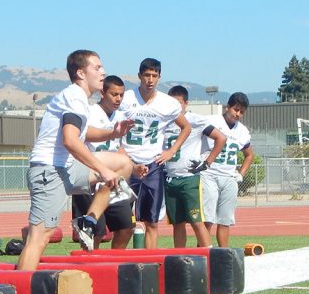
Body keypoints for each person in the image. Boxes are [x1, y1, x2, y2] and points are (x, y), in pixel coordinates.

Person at [17, 50, 134, 270]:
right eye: (97, 68)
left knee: (122, 164)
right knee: (39, 238)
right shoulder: (74, 96)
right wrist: (102, 170)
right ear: (81, 73)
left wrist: (112, 134)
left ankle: (88, 221)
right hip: (49, 171)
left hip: (67, 168)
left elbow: (82, 132)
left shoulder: (79, 98)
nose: (103, 72)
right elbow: (70, 140)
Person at [120, 58, 192, 248]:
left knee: (152, 221)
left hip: (152, 164)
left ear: (159, 77)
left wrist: (171, 151)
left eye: (154, 75)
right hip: (127, 162)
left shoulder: (168, 103)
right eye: (147, 75)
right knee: (123, 223)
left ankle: (149, 263)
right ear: (139, 76)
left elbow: (186, 127)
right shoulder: (126, 99)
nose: (150, 80)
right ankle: (117, 261)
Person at [71, 75, 134, 249]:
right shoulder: (89, 112)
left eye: (121, 95)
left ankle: (115, 266)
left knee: (126, 227)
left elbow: (119, 148)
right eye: (114, 94)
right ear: (102, 93)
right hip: (91, 177)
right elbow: (78, 137)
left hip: (111, 180)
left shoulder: (121, 116)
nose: (118, 99)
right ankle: (90, 268)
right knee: (95, 232)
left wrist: (134, 167)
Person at [162, 86, 227, 247]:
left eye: (179, 103)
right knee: (177, 223)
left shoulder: (195, 120)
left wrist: (207, 162)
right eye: (172, 103)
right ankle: (179, 258)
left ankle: (209, 255)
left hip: (189, 178)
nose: (175, 107)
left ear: (186, 103)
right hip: (170, 177)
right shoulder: (164, 120)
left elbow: (221, 138)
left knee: (196, 220)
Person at [200, 92, 253, 247]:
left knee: (225, 220)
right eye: (236, 109)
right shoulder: (211, 121)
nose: (238, 114)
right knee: (207, 218)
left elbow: (249, 155)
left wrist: (240, 174)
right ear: (227, 107)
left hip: (229, 177)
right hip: (209, 174)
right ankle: (203, 251)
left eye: (242, 112)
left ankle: (223, 254)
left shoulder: (242, 131)